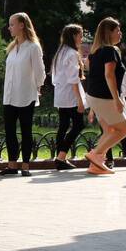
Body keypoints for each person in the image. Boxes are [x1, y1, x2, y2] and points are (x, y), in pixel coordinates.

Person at [81, 17, 126, 175]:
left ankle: (96, 165)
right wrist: (117, 99)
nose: (120, 33)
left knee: (109, 130)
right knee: (123, 130)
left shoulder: (95, 52)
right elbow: (109, 75)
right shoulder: (110, 51)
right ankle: (95, 155)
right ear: (109, 33)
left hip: (93, 96)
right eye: (117, 30)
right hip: (104, 97)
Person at [0, 12, 46, 176]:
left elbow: (40, 71)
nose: (10, 27)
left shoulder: (33, 47)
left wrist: (38, 87)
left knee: (26, 130)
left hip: (26, 94)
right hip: (10, 95)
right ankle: (12, 164)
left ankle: (25, 165)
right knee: (9, 130)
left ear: (21, 25)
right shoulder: (13, 48)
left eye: (12, 24)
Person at [51, 24, 86, 170]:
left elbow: (54, 77)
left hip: (60, 94)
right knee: (78, 125)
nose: (82, 38)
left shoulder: (60, 52)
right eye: (80, 35)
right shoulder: (71, 53)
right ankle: (61, 156)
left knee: (63, 126)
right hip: (71, 96)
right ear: (73, 36)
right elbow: (73, 80)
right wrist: (80, 101)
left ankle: (60, 158)